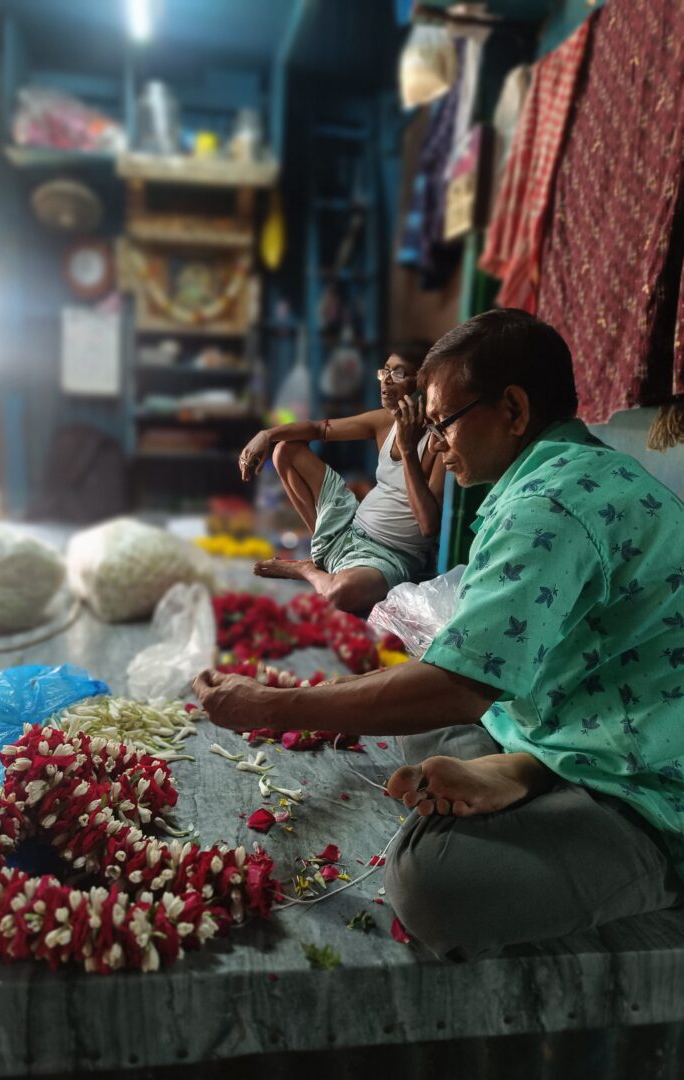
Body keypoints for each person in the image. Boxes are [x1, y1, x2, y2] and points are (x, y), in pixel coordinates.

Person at [195, 309, 684, 961]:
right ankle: (528, 768)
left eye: (443, 422)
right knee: (415, 706)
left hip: (650, 780)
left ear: (513, 409)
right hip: (586, 720)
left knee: (428, 883)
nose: (436, 443)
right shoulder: (581, 471)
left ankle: (554, 788)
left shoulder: (547, 507)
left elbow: (458, 686)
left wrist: (273, 706)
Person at [238, 348, 446, 614]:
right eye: (384, 371)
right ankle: (324, 552)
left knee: (340, 593)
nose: (386, 380)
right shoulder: (384, 421)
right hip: (349, 527)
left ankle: (308, 570)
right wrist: (266, 435)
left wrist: (407, 449)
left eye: (399, 373)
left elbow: (428, 526)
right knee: (285, 450)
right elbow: (318, 429)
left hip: (388, 557)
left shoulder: (438, 444)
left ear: (424, 384)